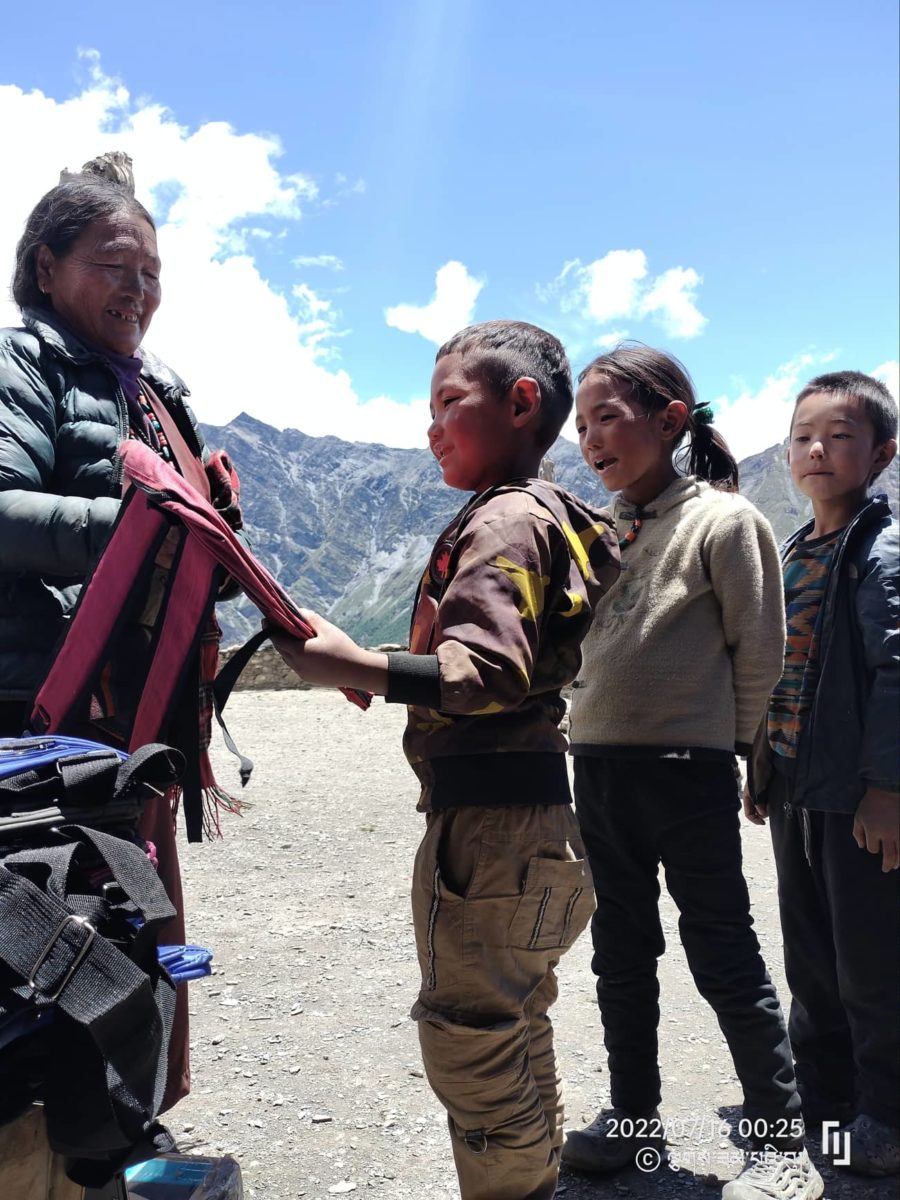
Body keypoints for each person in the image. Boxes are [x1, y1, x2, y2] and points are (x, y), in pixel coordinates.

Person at [271, 320, 620, 1200]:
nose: (430, 428)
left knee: (469, 1038)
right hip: (540, 820)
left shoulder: (503, 519)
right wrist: (384, 670)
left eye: (448, 403)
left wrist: (350, 666)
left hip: (488, 834)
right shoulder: (546, 514)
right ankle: (535, 1179)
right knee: (516, 1018)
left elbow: (485, 672)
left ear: (521, 403)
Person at [0, 159, 241, 1114]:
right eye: (113, 265)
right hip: (41, 713)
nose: (138, 289)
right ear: (46, 267)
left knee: (134, 921)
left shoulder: (157, 392)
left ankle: (127, 1126)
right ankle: (55, 1145)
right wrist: (144, 530)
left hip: (136, 720)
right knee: (50, 936)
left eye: (152, 272)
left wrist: (212, 535)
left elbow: (190, 549)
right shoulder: (23, 366)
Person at [562, 344, 824, 1200]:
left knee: (723, 950)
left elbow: (761, 652)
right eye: (582, 425)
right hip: (598, 771)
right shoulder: (598, 530)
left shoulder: (723, 522)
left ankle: (779, 1141)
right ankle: (634, 1120)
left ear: (671, 419)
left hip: (687, 774)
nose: (591, 439)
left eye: (608, 418)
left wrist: (736, 751)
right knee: (619, 952)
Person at [744, 371, 899, 1178]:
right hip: (799, 790)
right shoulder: (795, 551)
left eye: (840, 437)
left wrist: (888, 789)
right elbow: (778, 673)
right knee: (809, 953)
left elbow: (897, 673)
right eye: (804, 436)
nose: (817, 451)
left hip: (857, 798)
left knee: (871, 958)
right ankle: (827, 1101)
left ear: (881, 454)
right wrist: (761, 766)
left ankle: (887, 1115)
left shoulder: (883, 552)